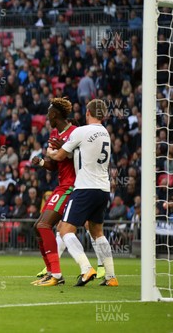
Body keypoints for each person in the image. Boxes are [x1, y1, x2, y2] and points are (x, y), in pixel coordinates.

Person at [48, 99, 118, 287]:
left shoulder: (81, 131)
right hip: (103, 189)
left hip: (85, 188)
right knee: (97, 232)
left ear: (88, 113)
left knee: (64, 230)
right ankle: (111, 276)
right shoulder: (105, 133)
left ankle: (86, 268)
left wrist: (49, 152)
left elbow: (60, 156)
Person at [29, 98, 76, 286]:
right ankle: (51, 272)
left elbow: (73, 156)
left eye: (48, 112)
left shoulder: (75, 132)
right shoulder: (55, 133)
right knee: (38, 228)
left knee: (44, 226)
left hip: (72, 186)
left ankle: (56, 274)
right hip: (61, 185)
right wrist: (41, 162)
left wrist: (60, 150)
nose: (46, 116)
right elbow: (54, 165)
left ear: (55, 114)